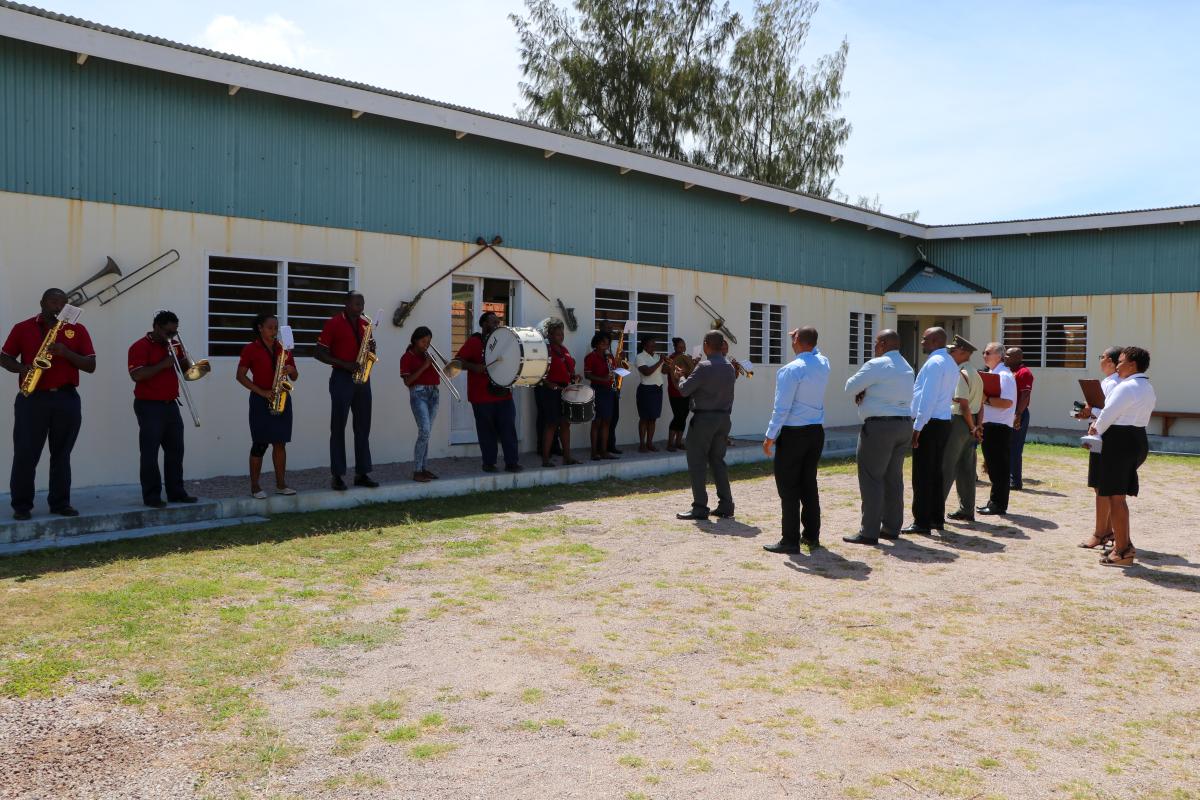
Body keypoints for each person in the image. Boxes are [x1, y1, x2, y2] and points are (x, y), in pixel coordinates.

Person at [1, 288, 96, 520]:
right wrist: (24, 369)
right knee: (25, 453)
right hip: (32, 398)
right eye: (53, 302)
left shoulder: (77, 329)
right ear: (42, 302)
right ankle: (22, 506)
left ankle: (61, 503)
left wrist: (65, 352)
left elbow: (90, 365)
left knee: (62, 454)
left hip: (66, 398)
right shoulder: (22, 328)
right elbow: (4, 357)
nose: (57, 307)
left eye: (62, 304)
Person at [841, 329, 914, 545]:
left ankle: (869, 531)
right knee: (893, 478)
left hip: (880, 427)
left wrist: (865, 390)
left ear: (882, 344)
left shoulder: (877, 364)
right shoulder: (907, 366)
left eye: (875, 342)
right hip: (903, 425)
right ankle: (892, 527)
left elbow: (849, 387)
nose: (874, 346)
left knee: (871, 478)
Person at [762, 326, 830, 552]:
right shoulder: (823, 363)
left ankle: (789, 540)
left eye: (794, 339)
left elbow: (781, 408)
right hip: (815, 432)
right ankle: (811, 536)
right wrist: (806, 337)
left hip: (794, 434)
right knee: (809, 484)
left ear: (798, 340)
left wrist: (770, 436)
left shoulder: (791, 370)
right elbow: (816, 351)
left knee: (789, 488)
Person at [1088, 346, 1155, 566]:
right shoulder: (1147, 386)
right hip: (1137, 439)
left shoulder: (1126, 387)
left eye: (1122, 361)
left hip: (1118, 442)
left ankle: (1123, 550)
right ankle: (1122, 545)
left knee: (1115, 498)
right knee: (1119, 496)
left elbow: (1108, 413)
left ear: (1132, 365)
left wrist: (1095, 429)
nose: (1117, 365)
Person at [127, 310, 198, 508]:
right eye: (168, 332)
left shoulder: (174, 345)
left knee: (176, 451)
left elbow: (186, 373)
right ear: (157, 327)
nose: (172, 336)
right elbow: (137, 375)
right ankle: (151, 496)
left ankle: (176, 492)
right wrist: (164, 364)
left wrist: (186, 363)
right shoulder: (139, 347)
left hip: (171, 405)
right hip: (149, 406)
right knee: (150, 452)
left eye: (174, 333)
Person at [316, 291, 378, 491]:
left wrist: (371, 349)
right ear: (346, 304)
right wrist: (344, 364)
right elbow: (319, 353)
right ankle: (337, 475)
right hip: (342, 378)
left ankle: (362, 473)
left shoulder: (364, 325)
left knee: (363, 427)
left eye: (362, 304)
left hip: (362, 379)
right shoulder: (333, 323)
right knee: (338, 427)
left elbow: (368, 353)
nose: (360, 308)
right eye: (356, 303)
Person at [673, 330, 736, 521]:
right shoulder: (729, 367)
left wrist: (680, 376)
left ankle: (700, 507)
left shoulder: (704, 366)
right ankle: (726, 505)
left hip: (704, 419)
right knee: (718, 461)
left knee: (698, 462)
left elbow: (684, 390)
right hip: (723, 419)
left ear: (707, 344)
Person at [903, 327, 960, 534]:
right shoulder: (950, 362)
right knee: (936, 473)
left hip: (930, 422)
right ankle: (936, 518)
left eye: (925, 339)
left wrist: (918, 426)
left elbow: (928, 398)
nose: (921, 342)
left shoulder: (935, 363)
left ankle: (922, 522)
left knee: (922, 475)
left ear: (936, 340)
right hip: (942, 422)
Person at [235, 313, 299, 499]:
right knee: (260, 443)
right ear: (260, 328)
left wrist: (291, 370)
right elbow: (240, 376)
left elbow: (294, 377)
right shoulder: (251, 349)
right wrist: (261, 392)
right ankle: (255, 487)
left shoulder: (284, 349)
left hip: (282, 397)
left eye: (275, 328)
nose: (273, 331)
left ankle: (281, 485)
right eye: (270, 328)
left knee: (280, 443)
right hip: (261, 399)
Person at [456, 311, 522, 473]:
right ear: (484, 324)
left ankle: (511, 462)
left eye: (498, 322)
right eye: (493, 322)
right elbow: (457, 362)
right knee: (486, 431)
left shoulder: (502, 342)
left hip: (502, 394)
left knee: (508, 428)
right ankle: (489, 463)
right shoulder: (474, 341)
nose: (496, 325)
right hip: (481, 396)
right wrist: (474, 367)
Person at [1077, 346, 1124, 549]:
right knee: (1100, 486)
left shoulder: (1115, 384)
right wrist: (1087, 412)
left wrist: (1090, 411)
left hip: (1106, 437)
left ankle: (1100, 533)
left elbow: (1109, 412)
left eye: (1102, 357)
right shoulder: (1110, 382)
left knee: (1102, 487)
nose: (1100, 360)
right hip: (1102, 436)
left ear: (1112, 362)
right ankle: (1106, 531)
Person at [942, 336, 984, 522]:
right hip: (971, 422)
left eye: (954, 350)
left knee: (947, 466)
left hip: (961, 421)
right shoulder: (975, 373)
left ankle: (935, 509)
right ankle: (967, 509)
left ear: (964, 353)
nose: (950, 353)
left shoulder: (960, 373)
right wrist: (978, 425)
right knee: (966, 468)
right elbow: (981, 405)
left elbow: (964, 404)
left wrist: (972, 427)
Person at [976, 342, 1017, 516]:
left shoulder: (1004, 375)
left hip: (999, 427)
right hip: (991, 426)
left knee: (999, 467)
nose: (984, 355)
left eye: (988, 352)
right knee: (993, 466)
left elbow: (1007, 403)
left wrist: (985, 399)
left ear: (999, 356)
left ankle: (998, 504)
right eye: (984, 352)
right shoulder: (993, 373)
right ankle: (995, 501)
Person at [536, 319, 580, 467]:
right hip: (550, 391)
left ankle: (567, 457)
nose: (561, 337)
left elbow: (569, 369)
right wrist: (548, 383)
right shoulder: (544, 350)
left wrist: (574, 376)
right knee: (551, 425)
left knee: (566, 424)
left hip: (565, 390)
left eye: (562, 334)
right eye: (557, 334)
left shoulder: (564, 350)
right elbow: (537, 373)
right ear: (549, 335)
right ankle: (545, 459)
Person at [400, 326, 442, 483]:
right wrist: (425, 366)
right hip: (419, 394)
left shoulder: (427, 356)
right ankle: (417, 470)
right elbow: (408, 381)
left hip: (434, 394)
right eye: (424, 341)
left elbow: (437, 376)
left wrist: (433, 365)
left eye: (429, 341)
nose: (426, 344)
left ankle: (423, 468)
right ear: (415, 340)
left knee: (427, 433)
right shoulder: (407, 357)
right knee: (424, 431)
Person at [585, 331, 618, 461]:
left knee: (607, 421)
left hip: (609, 390)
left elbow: (614, 371)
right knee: (597, 421)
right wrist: (603, 379)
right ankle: (594, 452)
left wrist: (618, 371)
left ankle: (604, 451)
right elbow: (587, 375)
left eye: (608, 343)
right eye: (603, 343)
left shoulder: (609, 357)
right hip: (598, 390)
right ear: (596, 343)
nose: (606, 345)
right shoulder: (591, 357)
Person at [1005, 347, 1035, 490]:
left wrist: (1018, 415)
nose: (1005, 357)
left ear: (1018, 357)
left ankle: (1015, 481)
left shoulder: (1024, 373)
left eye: (1008, 355)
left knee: (1015, 447)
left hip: (1019, 413)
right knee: (1007, 446)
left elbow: (1025, 395)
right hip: (1007, 413)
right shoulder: (1009, 371)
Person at [634, 336, 666, 452]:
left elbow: (663, 371)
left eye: (655, 346)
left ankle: (650, 443)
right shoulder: (640, 357)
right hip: (646, 390)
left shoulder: (656, 356)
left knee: (653, 418)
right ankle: (642, 444)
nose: (654, 348)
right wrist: (660, 361)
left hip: (657, 389)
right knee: (644, 418)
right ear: (645, 346)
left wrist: (668, 365)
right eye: (651, 346)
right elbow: (647, 372)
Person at [665, 337, 691, 452]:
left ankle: (679, 442)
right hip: (675, 392)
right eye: (680, 347)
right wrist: (671, 366)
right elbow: (664, 371)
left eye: (683, 346)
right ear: (675, 348)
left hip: (686, 391)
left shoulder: (687, 358)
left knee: (684, 416)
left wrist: (692, 363)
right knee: (677, 416)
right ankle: (670, 443)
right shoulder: (670, 358)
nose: (682, 349)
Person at [606, 328, 628, 455]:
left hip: (615, 386)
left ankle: (611, 444)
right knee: (604, 418)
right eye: (608, 330)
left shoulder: (615, 345)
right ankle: (602, 446)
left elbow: (619, 364)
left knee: (614, 417)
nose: (611, 333)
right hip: (604, 387)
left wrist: (622, 358)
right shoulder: (595, 347)